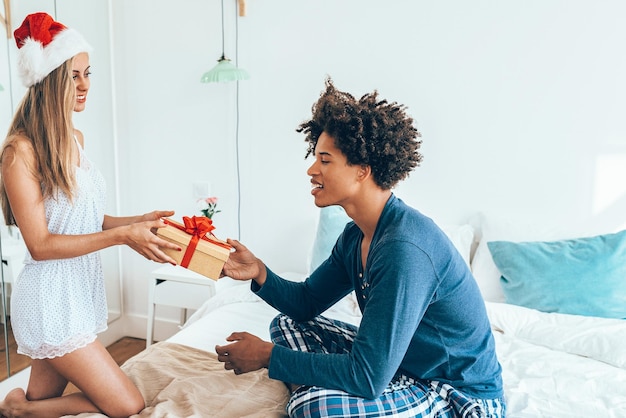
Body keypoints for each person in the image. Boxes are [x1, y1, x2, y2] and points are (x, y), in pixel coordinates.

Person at [216, 78, 505, 417]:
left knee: (311, 407)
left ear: (362, 171)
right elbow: (306, 304)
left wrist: (269, 357)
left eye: (325, 160)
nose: (311, 170)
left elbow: (367, 376)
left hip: (455, 393)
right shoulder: (357, 236)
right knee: (288, 325)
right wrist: (259, 272)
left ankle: (319, 392)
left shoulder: (404, 249)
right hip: (397, 369)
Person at [0, 12, 180, 417]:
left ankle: (27, 410)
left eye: (88, 73)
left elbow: (87, 219)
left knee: (44, 400)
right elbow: (41, 245)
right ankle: (16, 410)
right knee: (126, 404)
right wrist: (122, 238)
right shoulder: (19, 153)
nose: (85, 86)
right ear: (49, 82)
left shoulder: (75, 139)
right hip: (49, 300)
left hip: (75, 295)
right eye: (73, 76)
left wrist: (137, 222)